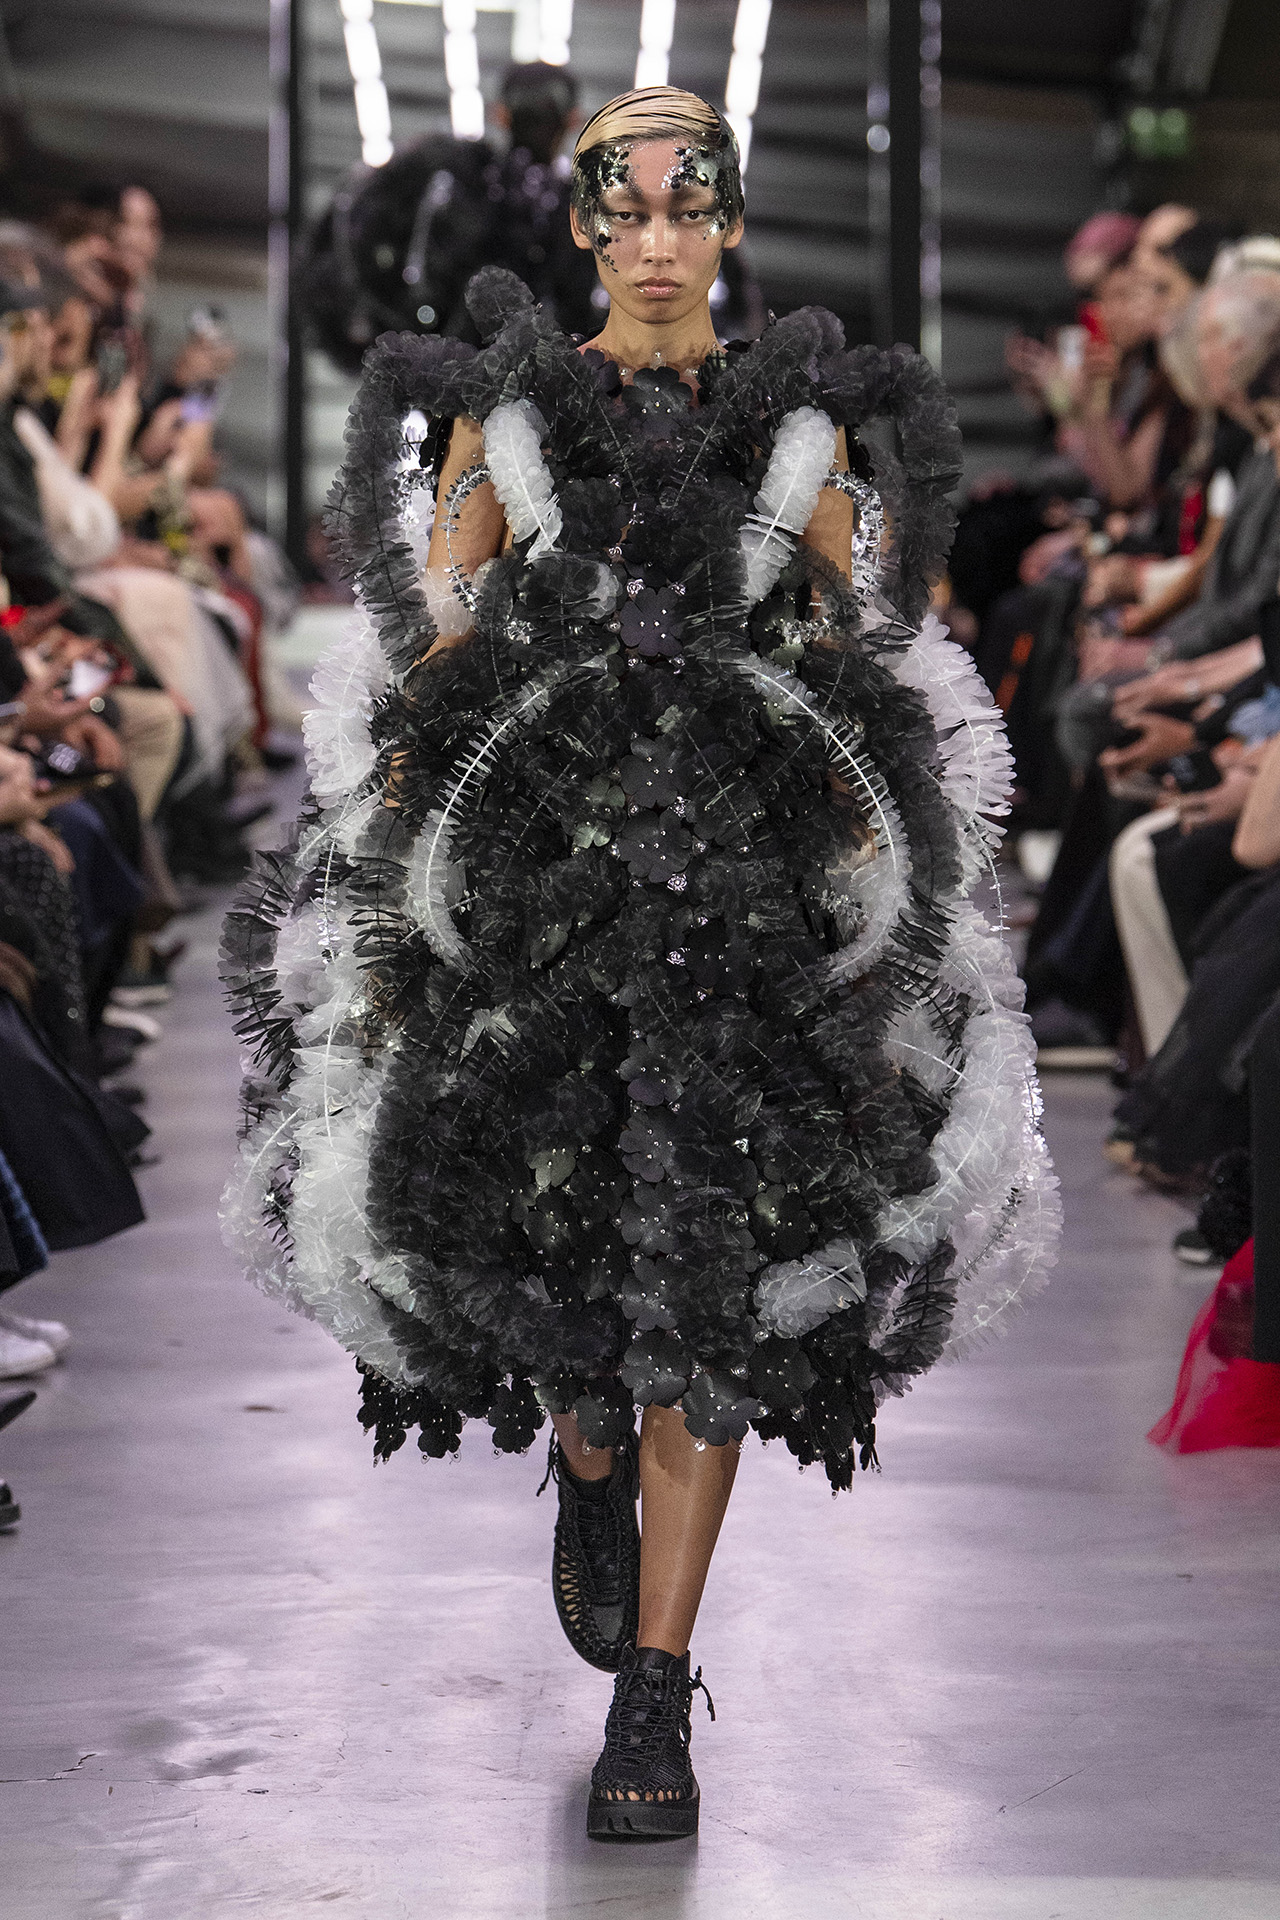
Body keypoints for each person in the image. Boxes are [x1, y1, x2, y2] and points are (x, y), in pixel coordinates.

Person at [224, 85, 1058, 1841]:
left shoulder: (803, 431)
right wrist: (391, 863)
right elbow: (435, 641)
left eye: (691, 209)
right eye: (630, 210)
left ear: (731, 223)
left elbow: (863, 649)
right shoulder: (510, 416)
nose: (660, 242)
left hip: (748, 912)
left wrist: (880, 864)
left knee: (717, 1295)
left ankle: (657, 1691)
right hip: (542, 899)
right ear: (586, 225)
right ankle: (586, 1456)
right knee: (564, 1259)